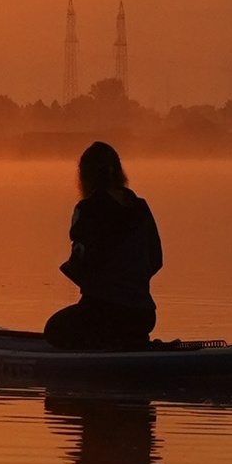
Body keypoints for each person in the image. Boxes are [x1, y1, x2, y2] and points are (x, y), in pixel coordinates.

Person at [46, 141, 163, 349]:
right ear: (118, 172)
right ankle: (127, 342)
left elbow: (81, 265)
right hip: (144, 316)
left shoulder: (88, 209)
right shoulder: (141, 207)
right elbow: (156, 261)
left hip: (105, 314)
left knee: (54, 329)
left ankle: (105, 347)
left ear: (85, 176)